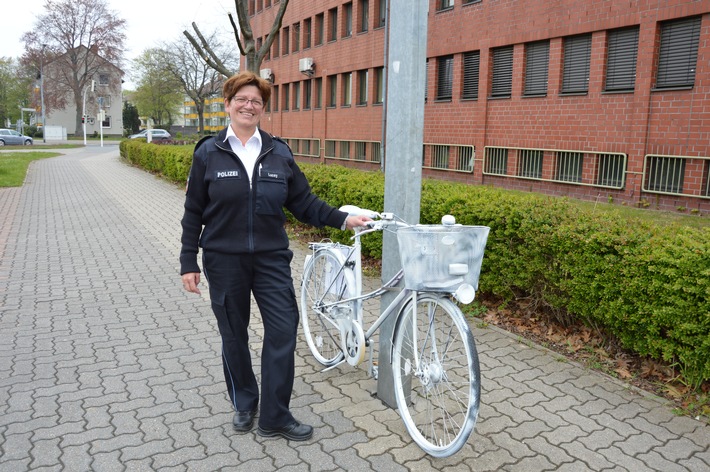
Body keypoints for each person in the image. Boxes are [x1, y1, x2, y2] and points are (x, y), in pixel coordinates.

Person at [179, 71, 371, 441]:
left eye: (256, 101)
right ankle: (245, 403)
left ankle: (275, 416)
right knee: (234, 335)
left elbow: (304, 202)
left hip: (270, 259)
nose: (249, 106)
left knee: (283, 330)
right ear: (229, 104)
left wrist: (345, 219)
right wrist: (189, 261)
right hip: (223, 259)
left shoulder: (278, 152)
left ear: (263, 108)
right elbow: (193, 212)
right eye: (242, 99)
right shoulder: (208, 152)